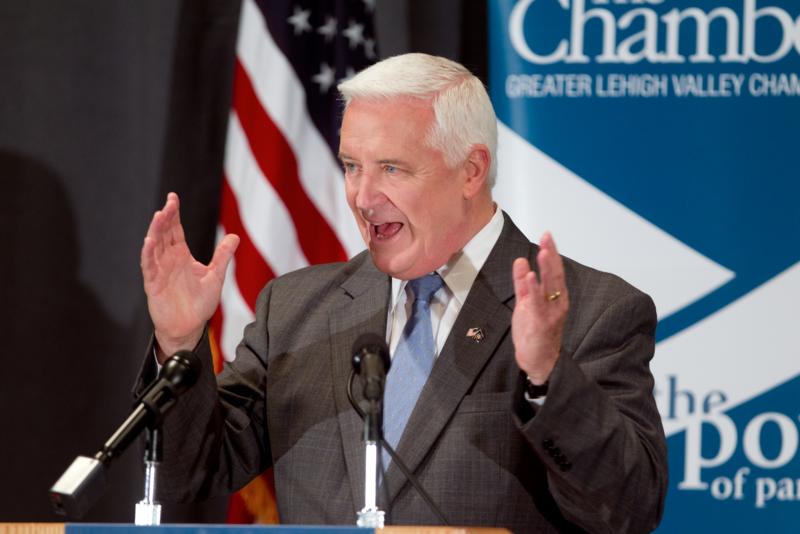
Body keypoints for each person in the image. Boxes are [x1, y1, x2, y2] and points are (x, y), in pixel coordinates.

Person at [138, 53, 667, 533]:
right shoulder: (296, 308)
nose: (363, 197)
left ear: (471, 169)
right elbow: (194, 471)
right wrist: (181, 342)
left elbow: (626, 512)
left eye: (392, 168)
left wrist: (549, 378)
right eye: (351, 166)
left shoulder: (590, 312)